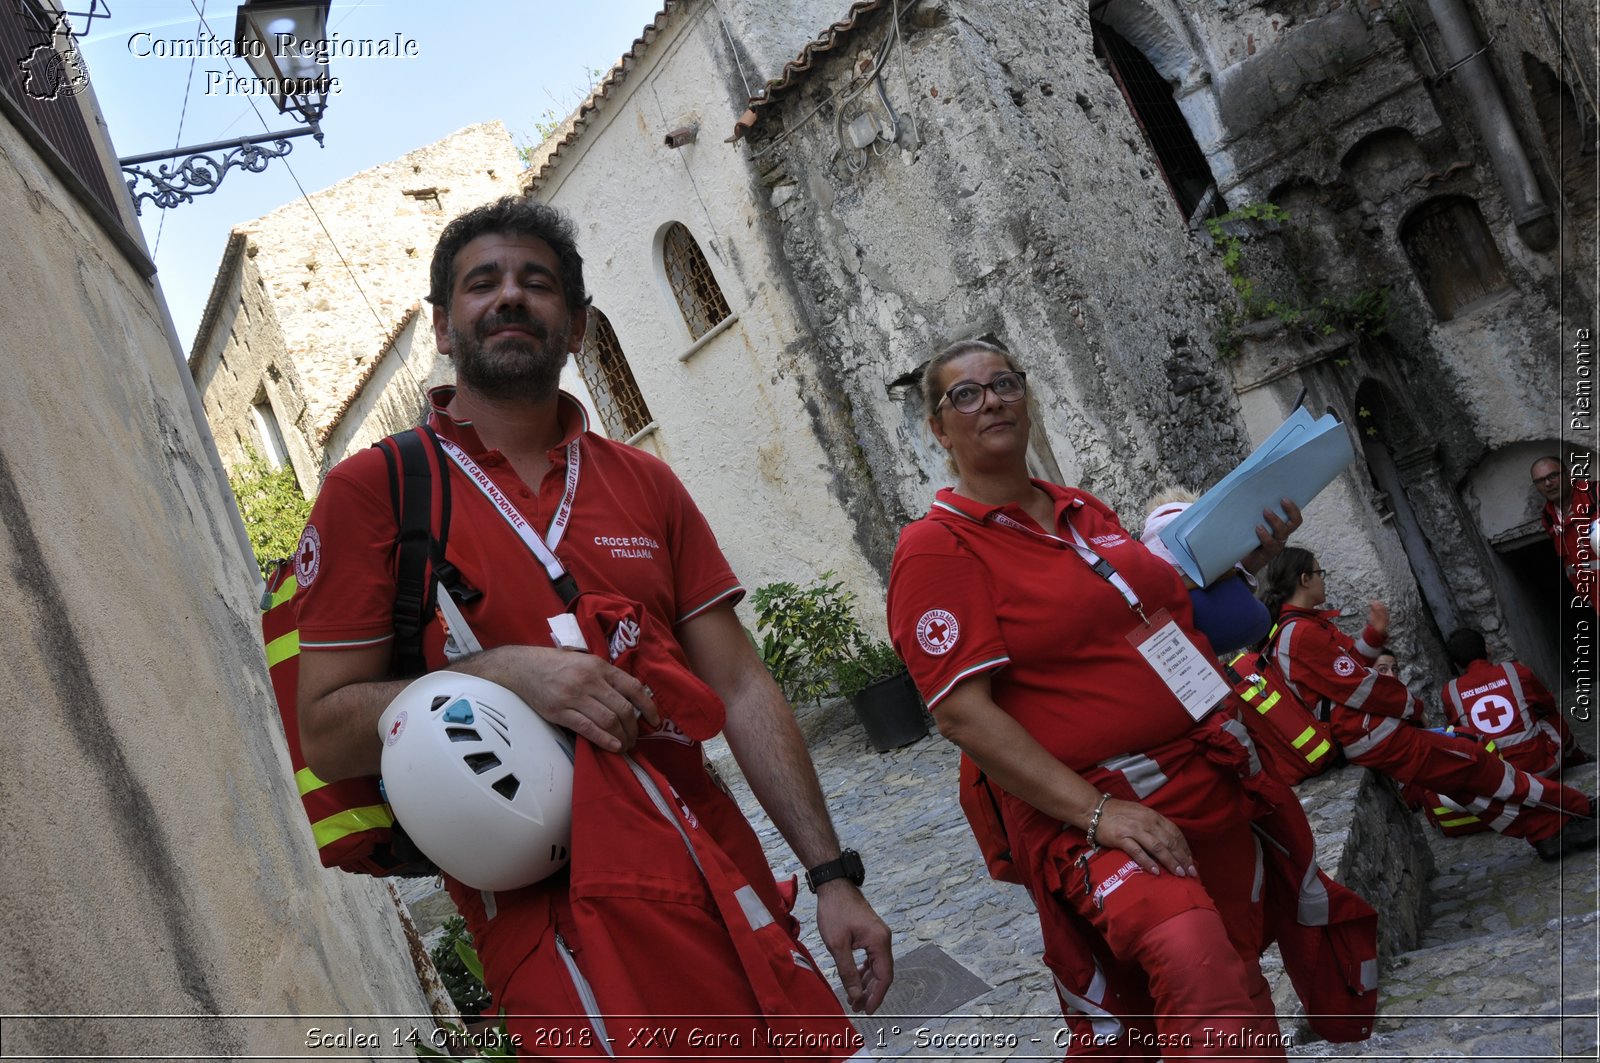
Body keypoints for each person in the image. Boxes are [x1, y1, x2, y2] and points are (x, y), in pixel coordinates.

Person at [294, 197, 892, 1056]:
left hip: (711, 868)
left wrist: (833, 878)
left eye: (536, 283)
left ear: (575, 326)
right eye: (481, 283)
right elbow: (328, 730)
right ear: (441, 325)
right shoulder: (376, 490)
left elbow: (741, 683)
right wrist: (505, 673)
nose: (509, 297)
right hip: (550, 910)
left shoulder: (645, 483)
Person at [887, 339, 1378, 1059]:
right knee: (1192, 956)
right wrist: (1097, 813)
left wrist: (1245, 558)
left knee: (1236, 978)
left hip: (1207, 777)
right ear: (938, 426)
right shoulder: (937, 548)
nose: (991, 399)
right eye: (966, 393)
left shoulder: (1083, 510)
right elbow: (962, 711)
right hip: (1097, 802)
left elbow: (1154, 615)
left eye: (1005, 383)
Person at [1260, 548, 1596, 861]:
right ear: (1304, 579)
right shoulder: (1301, 633)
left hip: (1371, 736)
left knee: (1466, 783)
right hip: (1376, 736)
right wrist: (1410, 705)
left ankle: (1551, 830)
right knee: (1476, 762)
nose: (1324, 579)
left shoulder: (1300, 629)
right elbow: (1359, 686)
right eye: (1320, 573)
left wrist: (1374, 635)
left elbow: (1345, 665)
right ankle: (1577, 810)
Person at [1440, 628, 1589, 776]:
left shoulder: (1450, 692)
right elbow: (1548, 704)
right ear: (1487, 649)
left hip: (1501, 779)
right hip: (1542, 766)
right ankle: (1579, 760)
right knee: (1554, 719)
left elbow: (1459, 731)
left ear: (1456, 664)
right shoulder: (1515, 671)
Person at [1532, 454, 1597, 609]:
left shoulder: (1596, 495)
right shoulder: (1548, 518)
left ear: (1568, 474)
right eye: (1540, 481)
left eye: (1553, 475)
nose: (1548, 483)